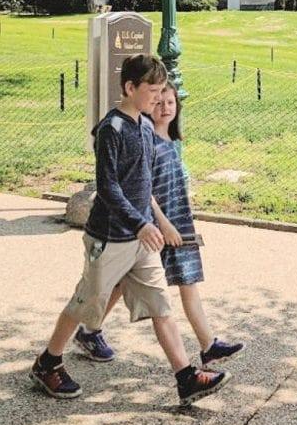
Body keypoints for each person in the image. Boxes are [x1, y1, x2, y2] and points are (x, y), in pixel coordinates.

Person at [29, 54, 229, 407]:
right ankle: (48, 363)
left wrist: (161, 222)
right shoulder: (112, 129)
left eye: (160, 91)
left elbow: (145, 182)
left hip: (142, 239)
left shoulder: (146, 126)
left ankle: (186, 378)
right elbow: (109, 188)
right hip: (109, 238)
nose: (157, 97)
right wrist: (140, 224)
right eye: (151, 91)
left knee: (160, 306)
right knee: (84, 304)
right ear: (130, 87)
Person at [76, 82, 243, 369]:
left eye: (170, 103)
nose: (165, 108)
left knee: (186, 281)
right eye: (159, 102)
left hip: (177, 223)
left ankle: (208, 345)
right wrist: (162, 224)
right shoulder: (146, 140)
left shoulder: (170, 142)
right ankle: (88, 330)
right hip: (154, 227)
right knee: (118, 284)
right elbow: (143, 190)